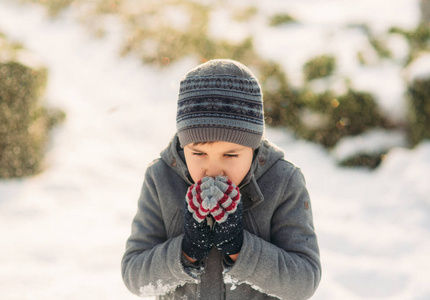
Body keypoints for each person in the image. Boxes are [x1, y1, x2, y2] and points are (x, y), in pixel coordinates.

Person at [121, 59, 321, 300]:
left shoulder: (283, 181)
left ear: (253, 147)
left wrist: (240, 248)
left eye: (230, 155)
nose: (213, 170)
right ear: (184, 146)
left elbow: (304, 281)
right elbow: (134, 274)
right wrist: (187, 251)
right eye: (199, 153)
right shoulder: (160, 178)